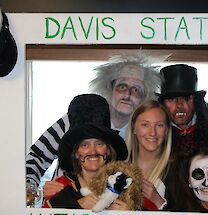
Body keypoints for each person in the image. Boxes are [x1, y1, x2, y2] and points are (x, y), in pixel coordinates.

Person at [26, 53, 162, 193]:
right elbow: (38, 155)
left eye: (136, 90)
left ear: (144, 97)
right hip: (63, 204)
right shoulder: (79, 117)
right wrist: (29, 191)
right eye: (122, 86)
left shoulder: (144, 133)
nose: (127, 95)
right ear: (110, 88)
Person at [32, 123, 128, 215]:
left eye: (99, 144)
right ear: (76, 153)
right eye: (85, 145)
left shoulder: (125, 186)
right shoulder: (60, 187)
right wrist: (76, 207)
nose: (93, 151)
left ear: (108, 150)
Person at [157, 64, 208, 156]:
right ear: (162, 104)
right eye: (171, 99)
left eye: (186, 98)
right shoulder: (154, 137)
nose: (179, 105)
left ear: (196, 100)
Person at [126, 99, 172, 215]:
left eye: (159, 125)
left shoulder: (177, 170)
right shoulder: (117, 170)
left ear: (166, 131)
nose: (152, 133)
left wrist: (159, 202)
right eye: (145, 124)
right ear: (134, 128)